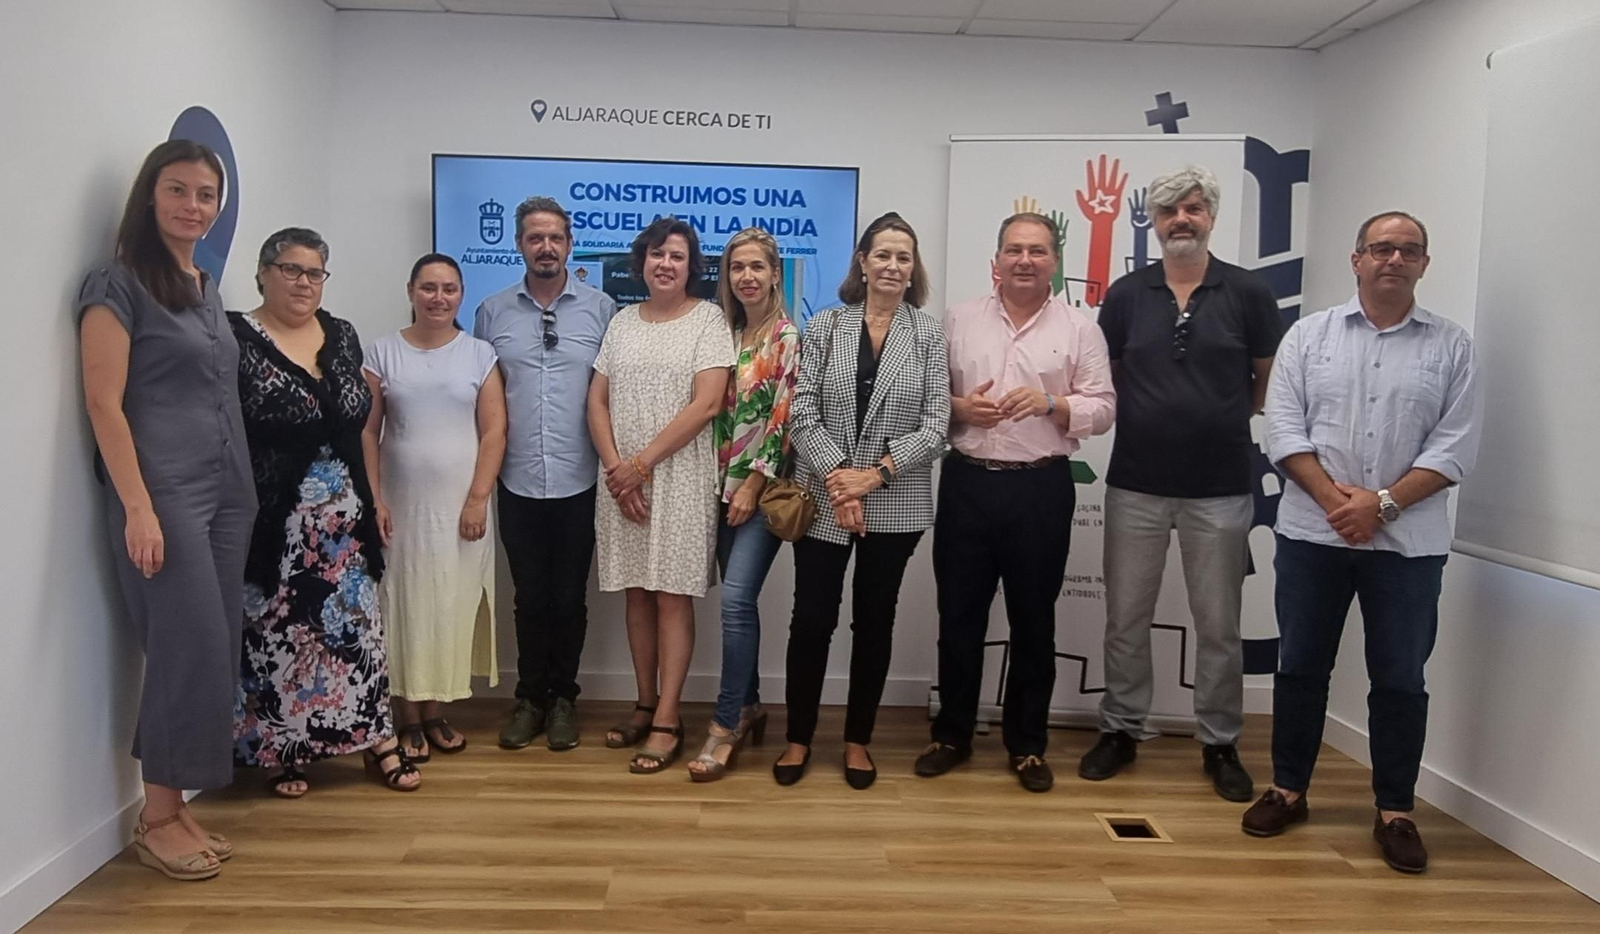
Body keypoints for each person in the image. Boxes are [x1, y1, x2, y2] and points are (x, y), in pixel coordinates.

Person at [1245, 211, 1480, 874]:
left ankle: (1396, 810)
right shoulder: (1308, 338)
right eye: (1381, 248)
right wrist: (1339, 505)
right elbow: (1284, 432)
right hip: (1312, 537)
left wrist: (1379, 506)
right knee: (1299, 668)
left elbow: (1455, 448)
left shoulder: (1451, 348)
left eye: (1408, 250)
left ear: (1424, 265)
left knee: (1401, 678)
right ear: (1356, 260)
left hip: (1408, 546)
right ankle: (1288, 789)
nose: (1393, 259)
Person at [1078, 166, 1285, 802]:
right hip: (1136, 483)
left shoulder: (1249, 292)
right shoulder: (1126, 293)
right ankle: (1121, 728)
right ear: (1154, 221)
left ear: (1211, 218)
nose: (1181, 220)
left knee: (1219, 625)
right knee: (1125, 618)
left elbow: (1264, 380)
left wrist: (1217, 419)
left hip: (1221, 487)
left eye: (1193, 209)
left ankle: (1219, 742)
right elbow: (1107, 374)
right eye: (1169, 211)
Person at [78, 139, 255, 881]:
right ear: (150, 197)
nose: (193, 206)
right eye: (178, 191)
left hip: (228, 492)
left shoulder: (205, 285)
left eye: (206, 194)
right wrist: (139, 509)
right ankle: (155, 817)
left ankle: (176, 802)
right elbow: (102, 404)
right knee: (183, 649)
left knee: (213, 651)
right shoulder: (115, 285)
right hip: (165, 495)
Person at [915, 212, 1114, 792]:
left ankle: (1027, 745)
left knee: (1034, 621)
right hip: (967, 483)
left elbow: (1103, 407)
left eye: (1037, 251)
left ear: (1055, 262)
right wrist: (959, 408)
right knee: (958, 618)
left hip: (1040, 487)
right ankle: (950, 734)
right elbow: (928, 395)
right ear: (995, 261)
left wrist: (1054, 404)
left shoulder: (1081, 329)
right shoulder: (957, 319)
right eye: (1014, 250)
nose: (1025, 260)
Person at [231, 228, 419, 796]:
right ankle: (287, 748)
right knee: (281, 634)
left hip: (344, 521)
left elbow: (360, 424)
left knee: (357, 631)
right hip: (276, 521)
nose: (304, 283)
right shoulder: (236, 335)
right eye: (291, 269)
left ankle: (375, 739)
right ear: (263, 272)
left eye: (314, 273)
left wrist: (375, 497)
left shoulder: (340, 333)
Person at [775, 212, 950, 790]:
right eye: (883, 255)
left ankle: (857, 741)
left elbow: (937, 426)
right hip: (825, 499)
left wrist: (872, 477)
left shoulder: (928, 335)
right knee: (811, 621)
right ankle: (799, 737)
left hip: (894, 503)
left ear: (912, 267)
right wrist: (840, 480)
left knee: (874, 624)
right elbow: (802, 415)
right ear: (862, 262)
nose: (893, 266)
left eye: (904, 257)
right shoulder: (825, 325)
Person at [587, 216, 732, 774]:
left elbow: (707, 403)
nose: (665, 264)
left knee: (672, 595)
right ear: (640, 262)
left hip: (679, 479)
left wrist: (640, 466)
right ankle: (644, 702)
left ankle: (669, 717)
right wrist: (617, 471)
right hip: (621, 480)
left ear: (691, 265)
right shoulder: (622, 321)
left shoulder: (709, 319)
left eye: (676, 255)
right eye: (655, 254)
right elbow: (597, 400)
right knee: (636, 595)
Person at [474, 196, 617, 752]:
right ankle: (529, 698)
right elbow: (482, 398)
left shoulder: (603, 310)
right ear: (518, 245)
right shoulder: (492, 312)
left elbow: (613, 395)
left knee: (569, 598)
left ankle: (564, 701)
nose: (546, 247)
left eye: (555, 237)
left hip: (582, 478)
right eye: (535, 238)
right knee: (529, 597)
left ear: (569, 243)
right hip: (517, 480)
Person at [362, 253, 507, 761]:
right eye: (428, 287)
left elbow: (494, 432)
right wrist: (374, 498)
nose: (438, 297)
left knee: (448, 604)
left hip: (461, 510)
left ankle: (437, 713)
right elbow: (367, 430)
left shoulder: (478, 354)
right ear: (411, 291)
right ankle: (405, 717)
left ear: (461, 295)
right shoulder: (382, 353)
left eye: (448, 289)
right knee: (403, 604)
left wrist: (477, 499)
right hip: (399, 508)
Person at [687, 228, 800, 782]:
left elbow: (784, 419)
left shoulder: (786, 336)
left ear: (775, 273)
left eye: (757, 266)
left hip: (758, 492)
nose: (747, 277)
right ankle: (751, 704)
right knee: (736, 604)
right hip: (710, 490)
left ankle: (725, 723)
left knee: (734, 603)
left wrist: (754, 483)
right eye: (737, 268)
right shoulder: (719, 332)